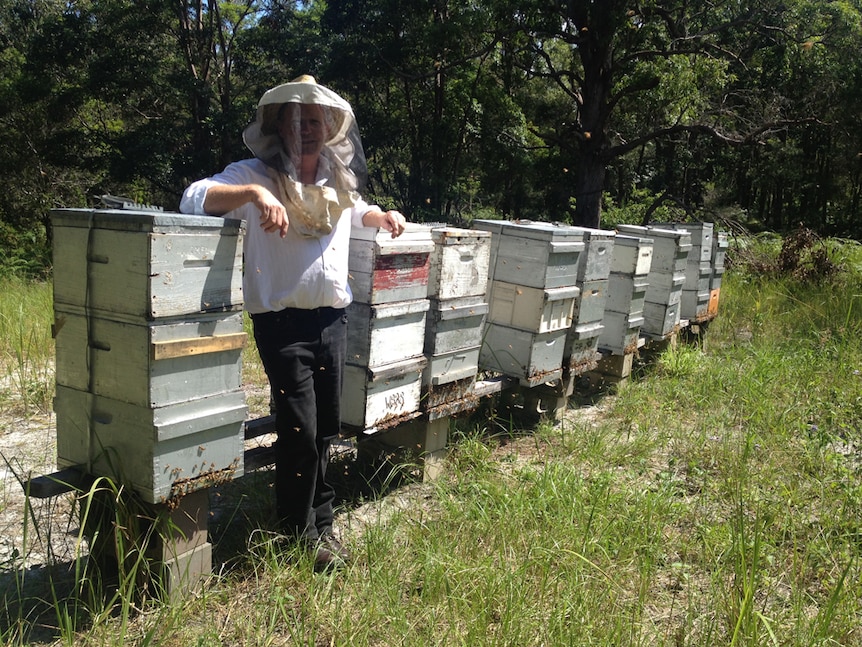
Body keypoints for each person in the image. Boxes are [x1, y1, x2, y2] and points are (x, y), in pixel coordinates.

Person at [180, 75, 406, 571]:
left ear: (329, 127)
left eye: (314, 119)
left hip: (333, 320)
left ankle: (321, 524)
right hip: (281, 324)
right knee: (300, 427)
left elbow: (356, 209)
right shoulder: (254, 175)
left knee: (325, 426)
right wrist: (252, 198)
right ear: (278, 126)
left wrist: (382, 215)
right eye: (295, 119)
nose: (305, 128)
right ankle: (298, 532)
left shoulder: (335, 182)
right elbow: (194, 197)